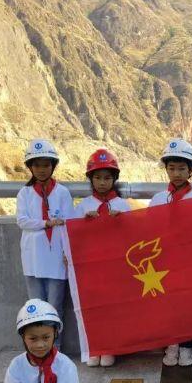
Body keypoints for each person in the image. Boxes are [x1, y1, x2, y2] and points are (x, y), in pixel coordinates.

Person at [72, 148, 131, 367]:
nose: (102, 182)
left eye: (107, 178)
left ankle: (110, 348)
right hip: (91, 267)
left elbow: (133, 236)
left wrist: (122, 221)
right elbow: (72, 236)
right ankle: (95, 348)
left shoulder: (122, 206)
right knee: (93, 308)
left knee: (112, 308)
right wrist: (84, 223)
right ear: (91, 179)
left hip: (114, 267)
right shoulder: (83, 206)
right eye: (97, 178)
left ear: (114, 179)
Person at [149, 138, 192, 367]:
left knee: (188, 305)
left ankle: (187, 346)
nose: (177, 173)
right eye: (172, 168)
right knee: (168, 305)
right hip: (163, 262)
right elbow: (147, 229)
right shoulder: (158, 199)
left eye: (182, 168)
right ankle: (171, 344)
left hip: (189, 263)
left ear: (191, 170)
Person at [16, 139, 73, 345]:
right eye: (37, 165)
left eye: (46, 165)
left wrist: (68, 252)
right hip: (33, 258)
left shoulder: (62, 192)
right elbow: (22, 221)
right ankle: (38, 348)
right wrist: (46, 223)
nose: (41, 170)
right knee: (35, 307)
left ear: (53, 166)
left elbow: (69, 224)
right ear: (30, 167)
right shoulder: (24, 193)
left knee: (55, 306)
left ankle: (55, 348)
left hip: (56, 258)